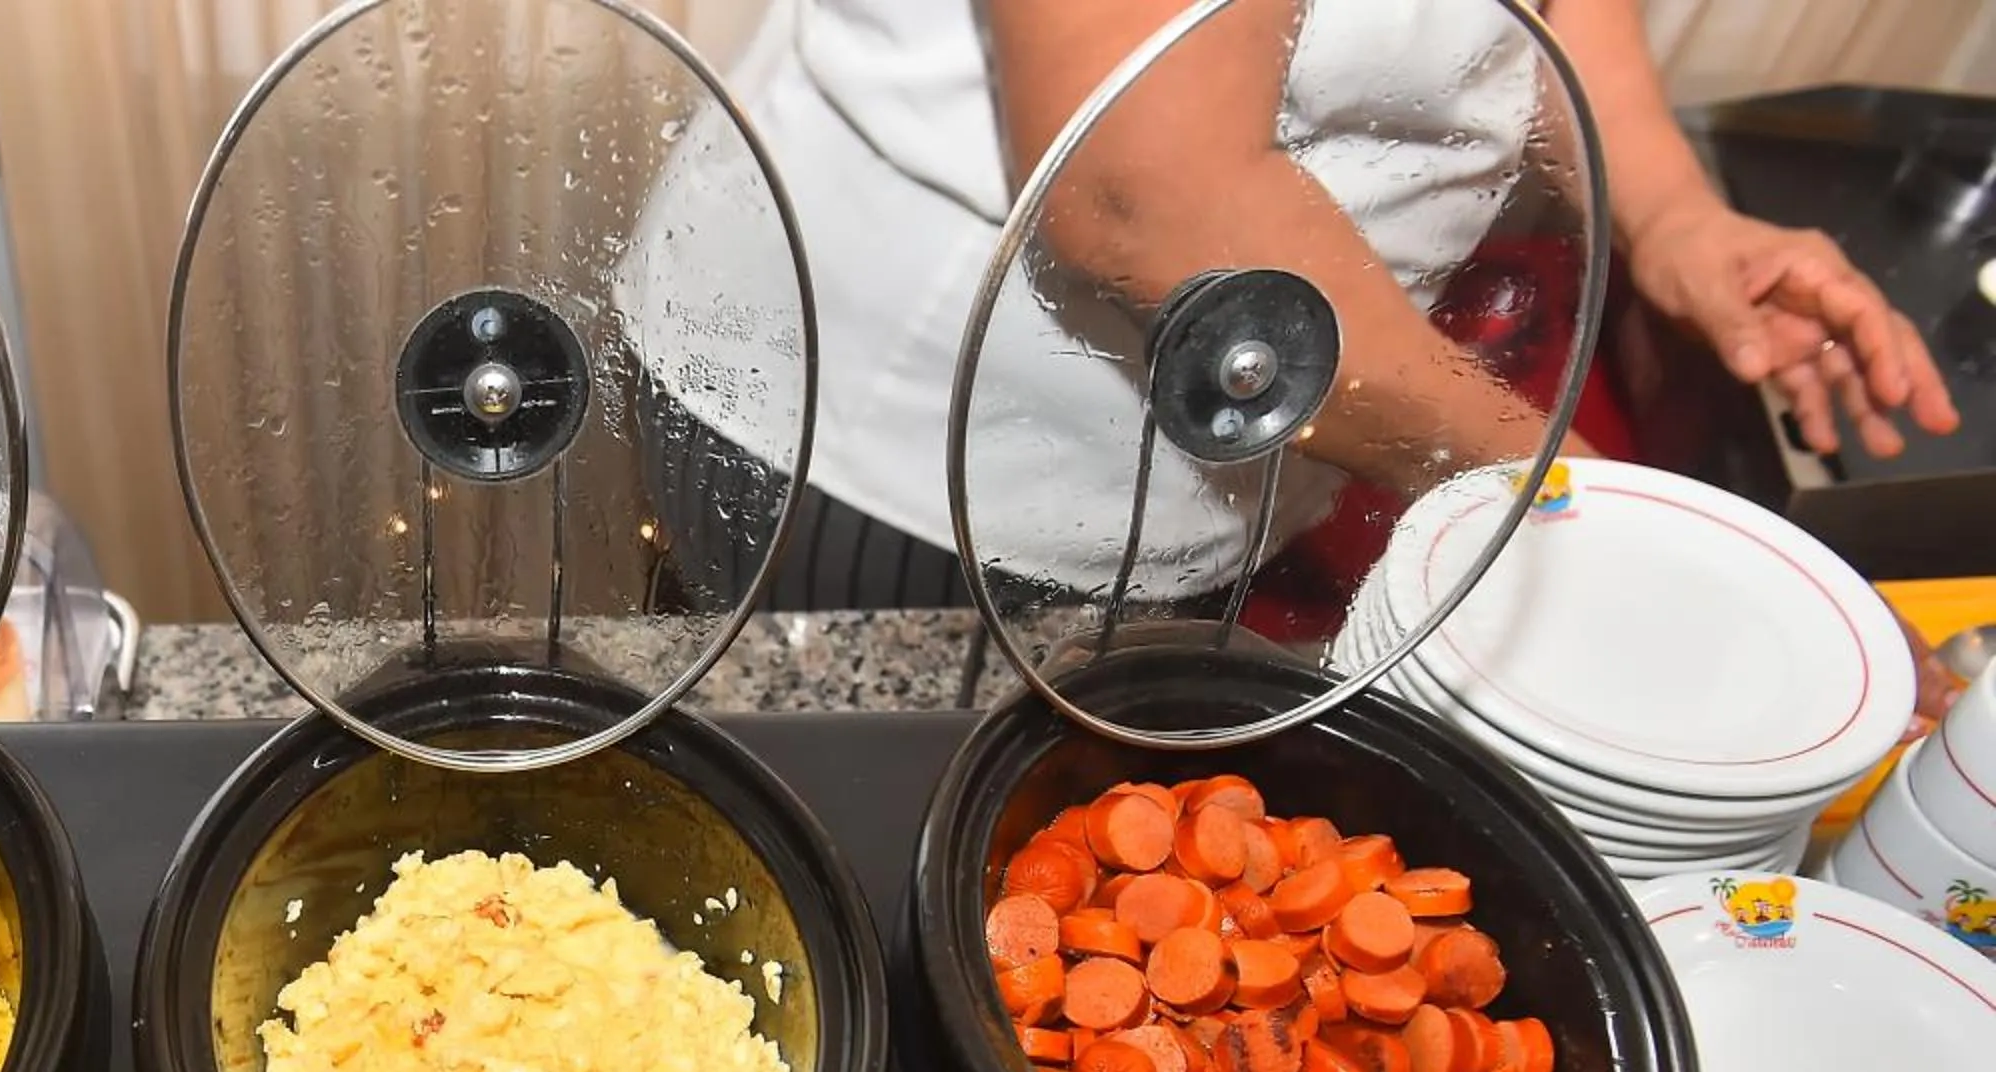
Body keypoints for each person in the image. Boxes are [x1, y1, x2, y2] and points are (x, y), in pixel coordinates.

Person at [640, 0, 1960, 614]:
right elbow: (1148, 199)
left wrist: (1676, 216)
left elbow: (1548, 24)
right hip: (917, 445)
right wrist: (1581, 501)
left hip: (1225, 423)